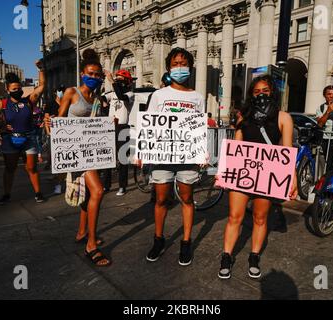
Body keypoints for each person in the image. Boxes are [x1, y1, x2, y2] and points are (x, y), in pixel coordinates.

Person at [218, 75, 298, 280]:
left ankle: (254, 257)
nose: (261, 95)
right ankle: (226, 256)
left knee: (260, 218)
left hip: (267, 176)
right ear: (251, 95)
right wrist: (224, 172)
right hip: (242, 174)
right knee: (234, 217)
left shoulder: (283, 118)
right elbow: (236, 147)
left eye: (265, 91)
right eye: (256, 92)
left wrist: (292, 178)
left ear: (273, 92)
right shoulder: (243, 116)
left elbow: (287, 150)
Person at [45, 49, 110, 267]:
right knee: (98, 191)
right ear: (82, 73)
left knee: (91, 192)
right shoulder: (72, 93)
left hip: (93, 152)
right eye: (90, 73)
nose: (93, 78)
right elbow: (59, 120)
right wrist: (50, 124)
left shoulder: (97, 99)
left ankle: (82, 231)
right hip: (76, 151)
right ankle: (91, 245)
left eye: (97, 75)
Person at [145, 47, 205, 266]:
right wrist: (143, 152)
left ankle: (186, 242)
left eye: (183, 63)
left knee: (187, 199)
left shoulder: (197, 97)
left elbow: (199, 127)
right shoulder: (159, 95)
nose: (179, 67)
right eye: (175, 64)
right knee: (161, 199)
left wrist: (202, 150)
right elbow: (149, 125)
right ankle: (158, 240)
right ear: (169, 68)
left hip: (188, 158)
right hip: (162, 157)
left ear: (189, 67)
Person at [0, 61, 46, 205]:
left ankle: (38, 193)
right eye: (14, 89)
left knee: (31, 168)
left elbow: (42, 86)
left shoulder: (29, 101)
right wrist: (0, 129)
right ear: (8, 89)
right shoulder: (3, 104)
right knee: (10, 168)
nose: (17, 90)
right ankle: (6, 194)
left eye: (19, 88)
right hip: (10, 140)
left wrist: (41, 69)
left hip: (29, 138)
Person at [102, 69, 135, 196]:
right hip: (111, 126)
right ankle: (106, 185)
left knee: (122, 158)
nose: (118, 82)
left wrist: (111, 81)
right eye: (117, 79)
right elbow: (102, 97)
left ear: (127, 82)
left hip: (123, 127)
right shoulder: (112, 93)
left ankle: (122, 186)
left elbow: (122, 96)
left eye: (121, 80)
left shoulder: (131, 94)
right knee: (107, 157)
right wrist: (105, 107)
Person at [45, 85, 66, 193]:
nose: (61, 92)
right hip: (53, 136)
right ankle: (57, 183)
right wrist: (49, 133)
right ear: (55, 92)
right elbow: (46, 119)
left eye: (63, 90)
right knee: (55, 160)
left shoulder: (67, 103)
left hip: (65, 136)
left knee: (63, 159)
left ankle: (60, 182)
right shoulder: (50, 104)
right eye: (59, 90)